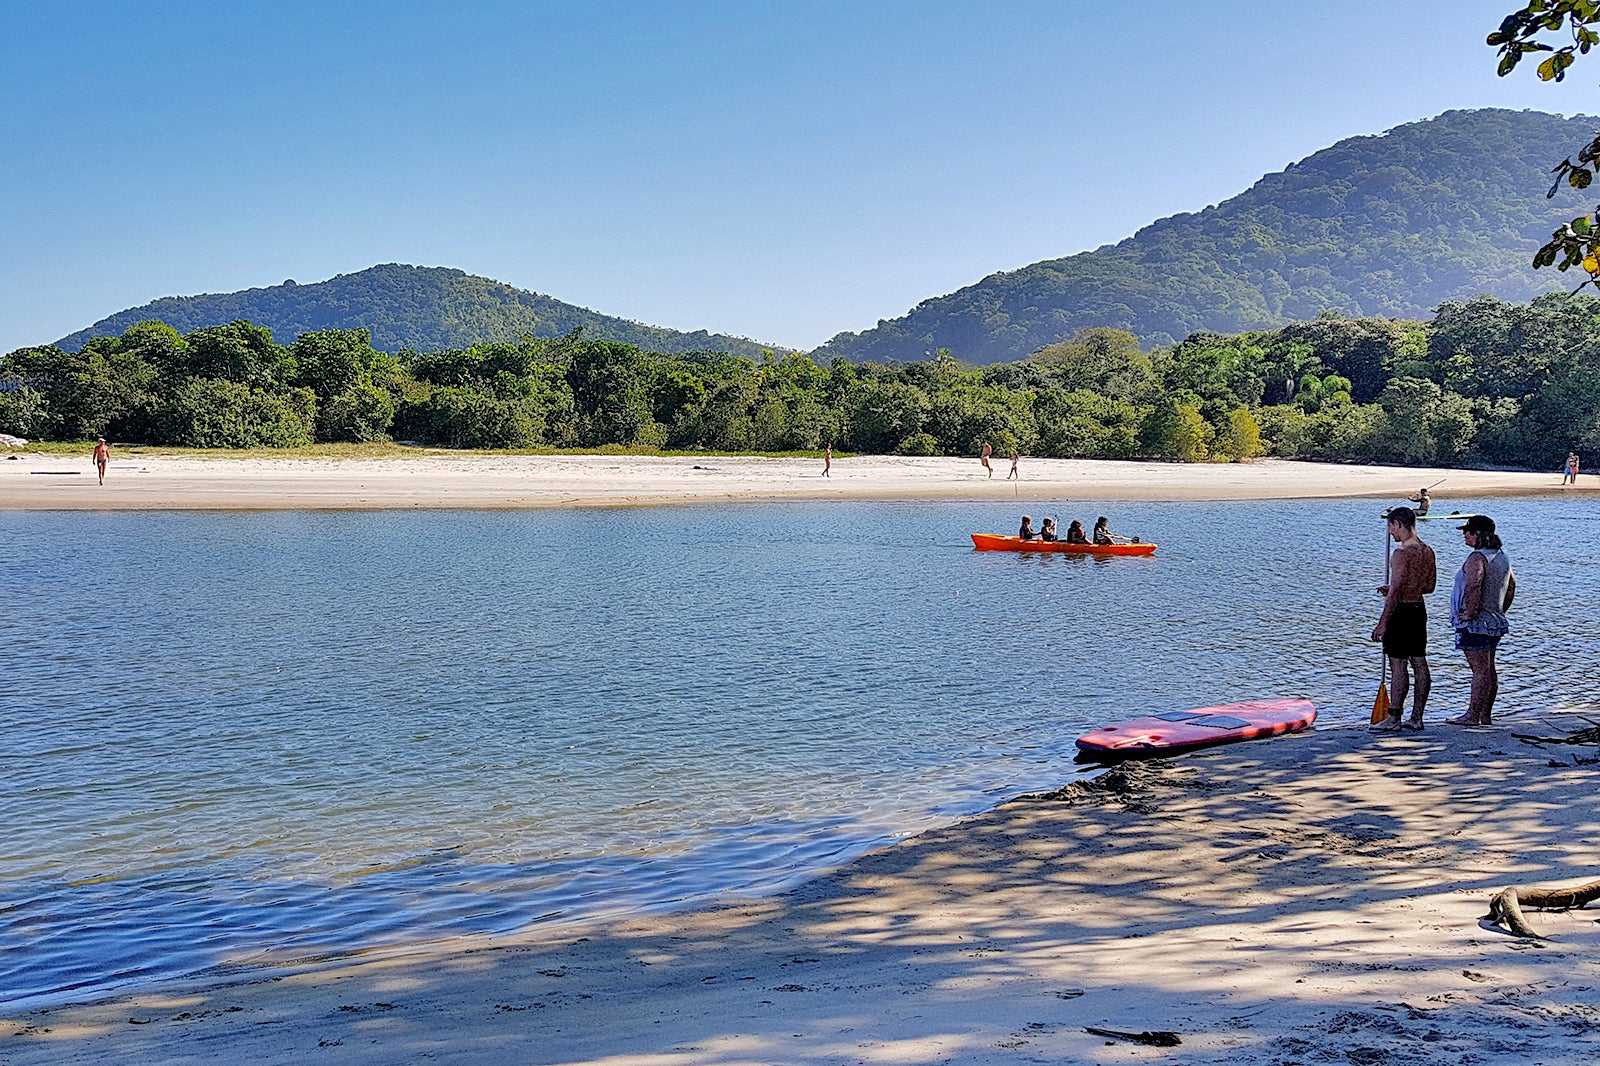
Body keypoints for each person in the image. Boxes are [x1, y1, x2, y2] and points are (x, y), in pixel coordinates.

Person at [1370, 506, 1437, 732]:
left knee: (1397, 663)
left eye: (1391, 527)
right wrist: (1399, 587)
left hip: (1401, 611)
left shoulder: (1400, 554)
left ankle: (1394, 717)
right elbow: (1429, 586)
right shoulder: (1427, 551)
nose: (1390, 533)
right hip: (1418, 609)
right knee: (1419, 661)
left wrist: (1382, 622)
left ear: (1399, 524)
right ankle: (1417, 717)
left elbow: (1397, 590)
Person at [1449, 515, 1514, 727]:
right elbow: (1511, 586)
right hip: (1495, 621)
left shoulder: (1477, 558)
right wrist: (1500, 609)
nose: (1464, 536)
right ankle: (1485, 715)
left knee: (1479, 670)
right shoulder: (1501, 556)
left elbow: (1474, 585)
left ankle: (1471, 715)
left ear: (1477, 534)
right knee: (1488, 669)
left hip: (1477, 622)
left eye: (1466, 532)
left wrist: (1470, 612)